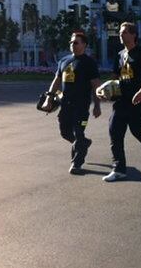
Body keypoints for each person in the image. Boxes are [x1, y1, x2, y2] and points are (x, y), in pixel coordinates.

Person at [100, 22, 141, 182]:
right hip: (121, 102)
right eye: (120, 33)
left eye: (124, 32)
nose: (121, 35)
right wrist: (103, 89)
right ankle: (118, 169)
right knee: (114, 131)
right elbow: (115, 77)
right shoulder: (120, 55)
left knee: (139, 132)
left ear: (133, 35)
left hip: (138, 102)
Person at [44, 31, 101, 174]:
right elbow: (56, 81)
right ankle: (83, 143)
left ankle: (77, 163)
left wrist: (97, 105)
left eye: (75, 42)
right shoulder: (64, 61)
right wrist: (49, 98)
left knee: (79, 133)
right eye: (71, 42)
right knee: (65, 133)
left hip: (81, 105)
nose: (72, 45)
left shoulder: (89, 63)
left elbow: (95, 85)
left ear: (84, 45)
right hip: (65, 104)